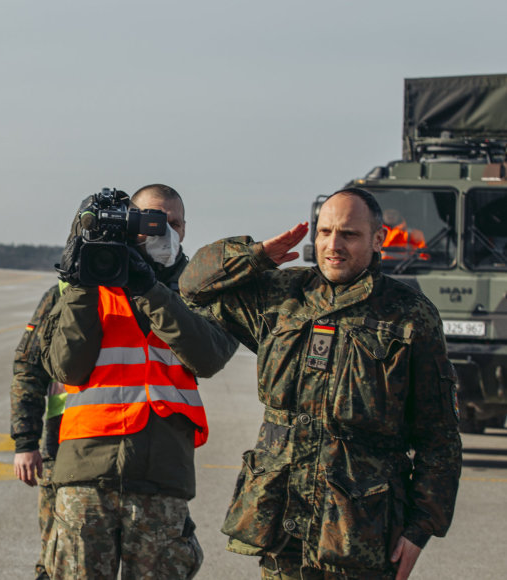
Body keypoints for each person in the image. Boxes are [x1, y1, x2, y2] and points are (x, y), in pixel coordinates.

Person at [179, 188, 462, 580]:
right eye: (325, 231)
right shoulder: (283, 294)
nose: (333, 245)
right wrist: (256, 256)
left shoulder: (410, 315)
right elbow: (193, 284)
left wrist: (420, 530)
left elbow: (440, 438)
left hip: (360, 535)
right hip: (282, 526)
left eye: (349, 234)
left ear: (378, 239)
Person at [40, 184, 237, 579]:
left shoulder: (203, 288)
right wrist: (81, 282)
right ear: (128, 226)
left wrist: (148, 287)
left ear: (185, 229)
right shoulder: (90, 280)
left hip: (161, 474)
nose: (162, 232)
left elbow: (209, 356)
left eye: (172, 223)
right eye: (148, 222)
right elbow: (67, 368)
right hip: (85, 470)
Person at [10, 282, 67, 580]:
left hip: (150, 450)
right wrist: (25, 441)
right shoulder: (66, 290)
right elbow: (29, 369)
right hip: (67, 446)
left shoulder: (164, 285)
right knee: (56, 559)